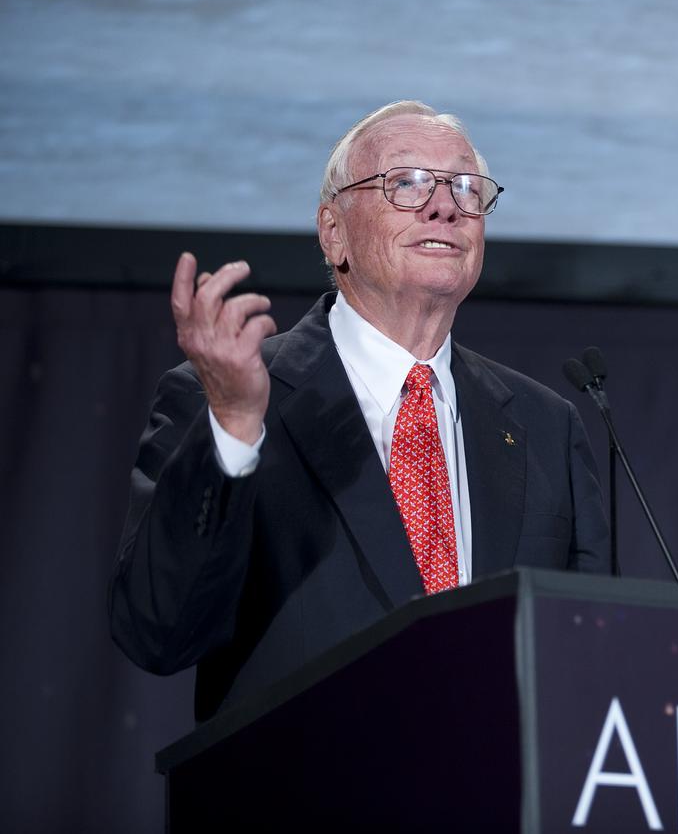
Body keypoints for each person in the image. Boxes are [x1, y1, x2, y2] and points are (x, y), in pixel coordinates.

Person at [109, 100, 610, 720]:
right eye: (406, 183)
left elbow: (591, 660)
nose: (445, 205)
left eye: (465, 187)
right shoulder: (227, 399)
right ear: (333, 231)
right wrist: (235, 429)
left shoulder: (545, 425)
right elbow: (158, 633)